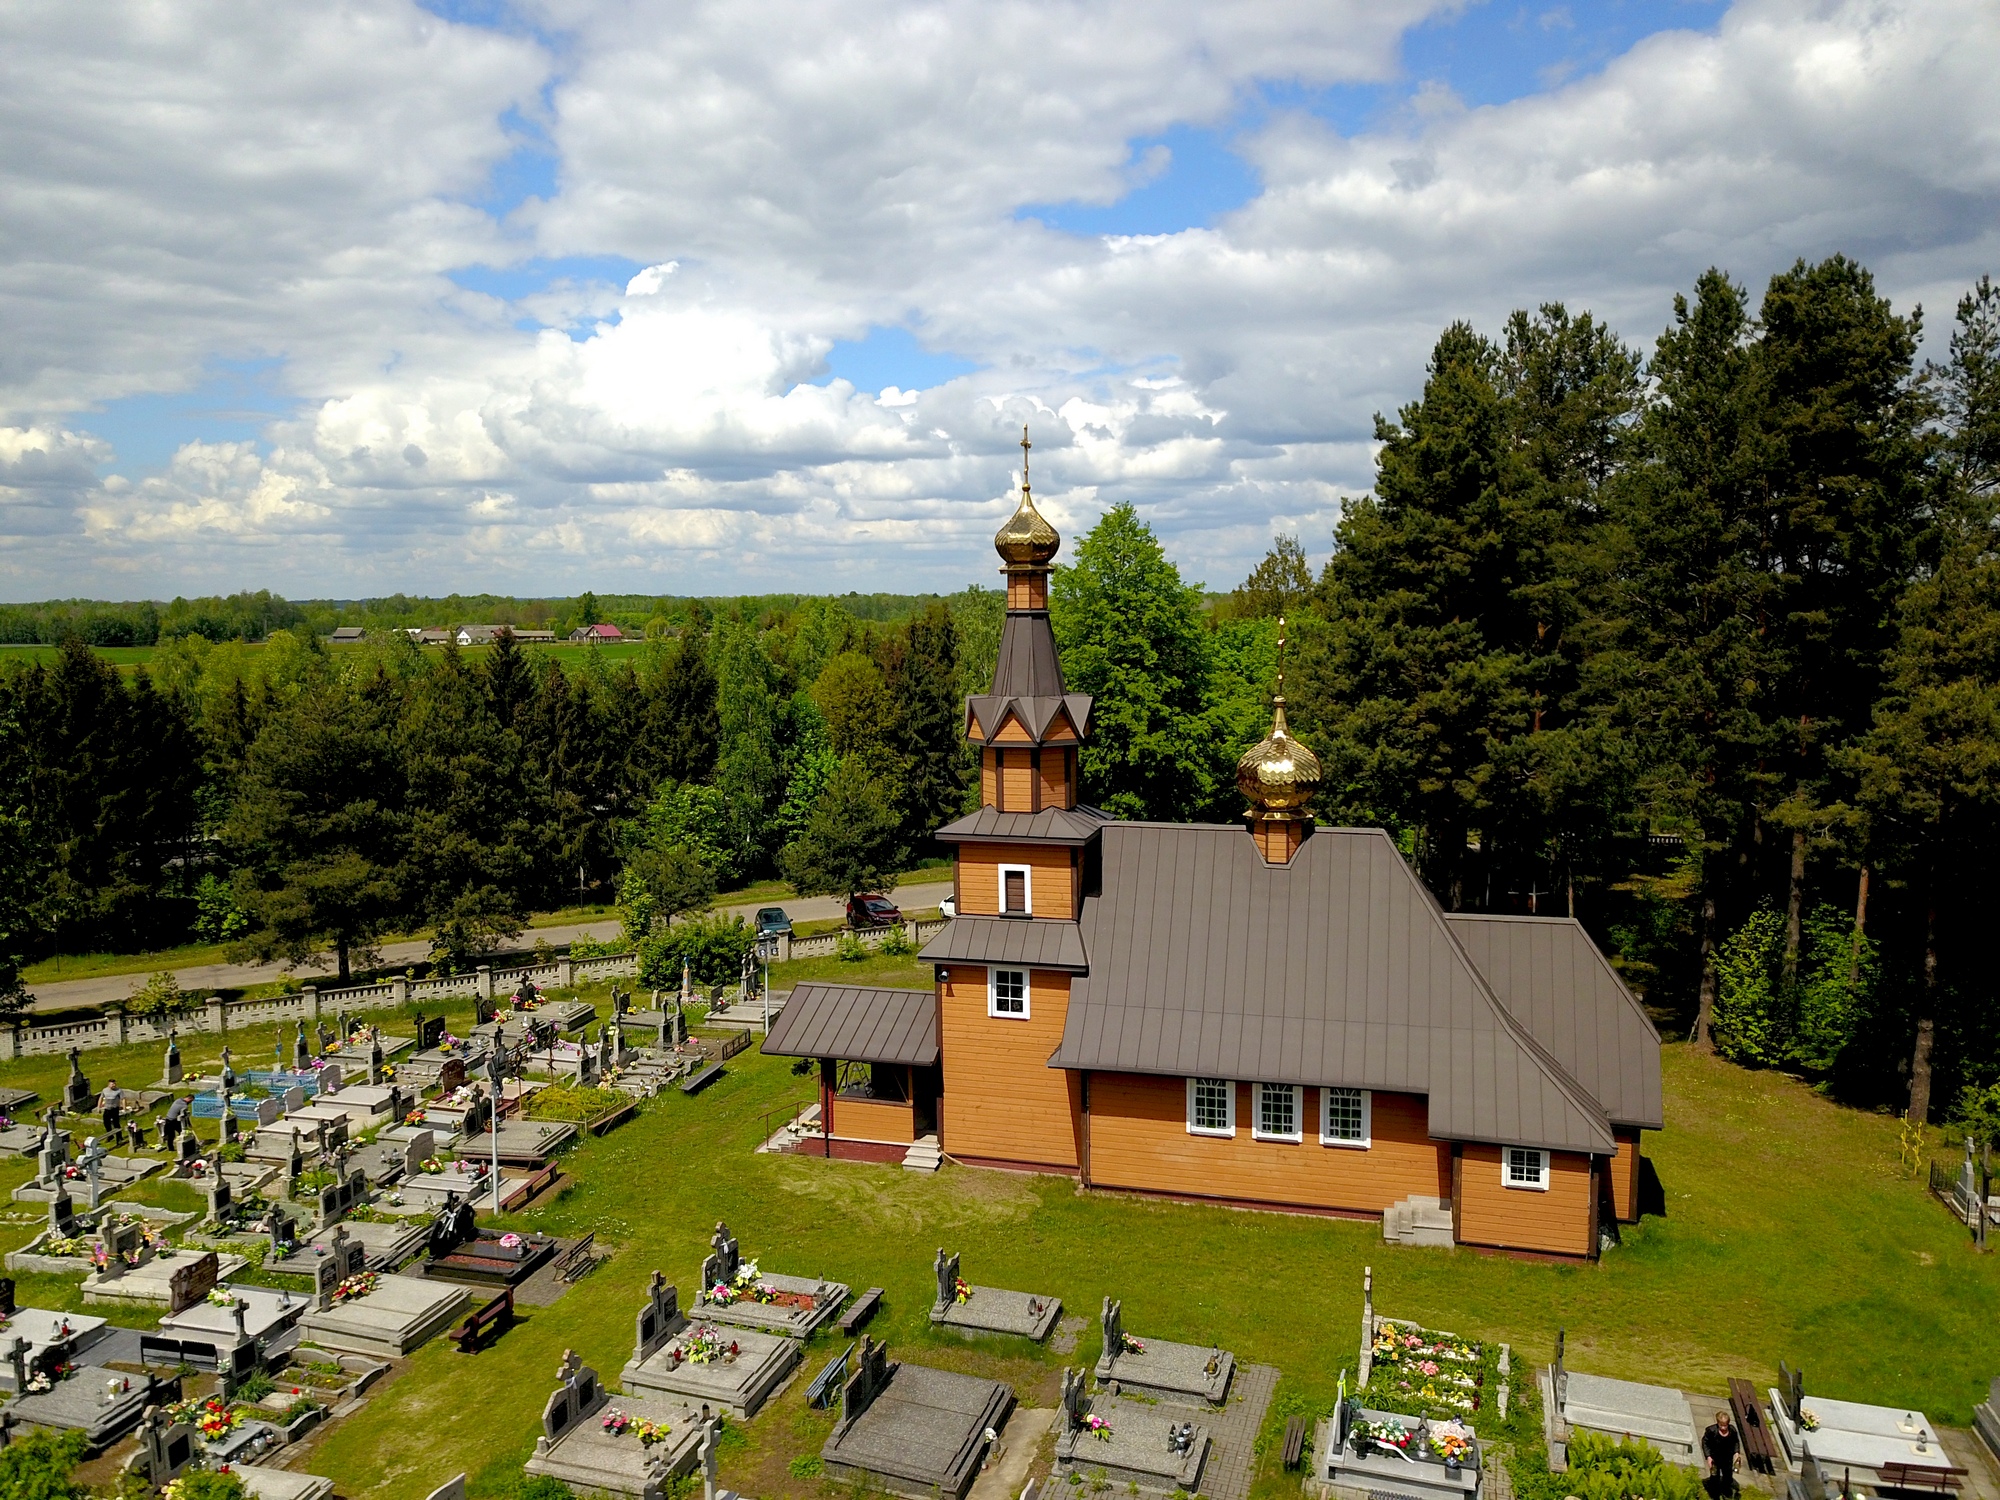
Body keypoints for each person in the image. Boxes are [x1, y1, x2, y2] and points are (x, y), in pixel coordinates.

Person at [1703, 1409, 1741, 1498]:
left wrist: (1736, 1452)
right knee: (1714, 1475)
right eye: (1721, 1425)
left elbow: (1736, 1442)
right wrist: (1708, 1456)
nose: (1723, 1428)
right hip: (1715, 1457)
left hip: (1727, 1457)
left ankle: (1726, 1489)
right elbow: (1705, 1442)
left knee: (1728, 1475)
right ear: (1717, 1423)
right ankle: (1714, 1491)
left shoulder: (1732, 1430)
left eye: (1725, 1425)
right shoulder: (1711, 1431)